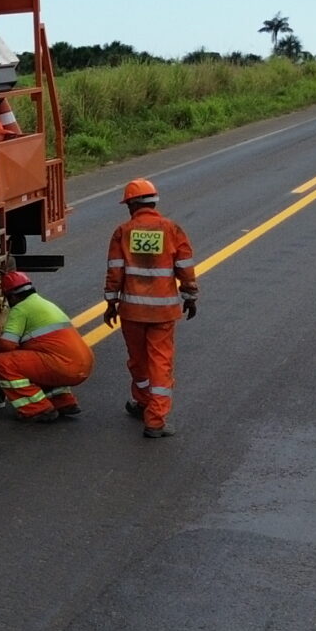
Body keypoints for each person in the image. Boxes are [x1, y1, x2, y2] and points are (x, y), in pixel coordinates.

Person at [102, 178, 198, 438]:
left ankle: (143, 401)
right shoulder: (171, 229)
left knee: (138, 360)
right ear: (154, 202)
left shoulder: (123, 231)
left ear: (131, 205)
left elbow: (115, 271)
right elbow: (184, 266)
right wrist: (190, 295)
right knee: (160, 363)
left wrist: (111, 302)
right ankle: (155, 419)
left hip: (132, 312)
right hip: (162, 313)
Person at [0, 270, 93, 424]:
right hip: (82, 365)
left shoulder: (20, 309)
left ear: (11, 296)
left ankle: (37, 409)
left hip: (64, 366)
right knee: (34, 358)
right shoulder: (43, 303)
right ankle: (63, 400)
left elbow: (7, 345)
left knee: (2, 361)